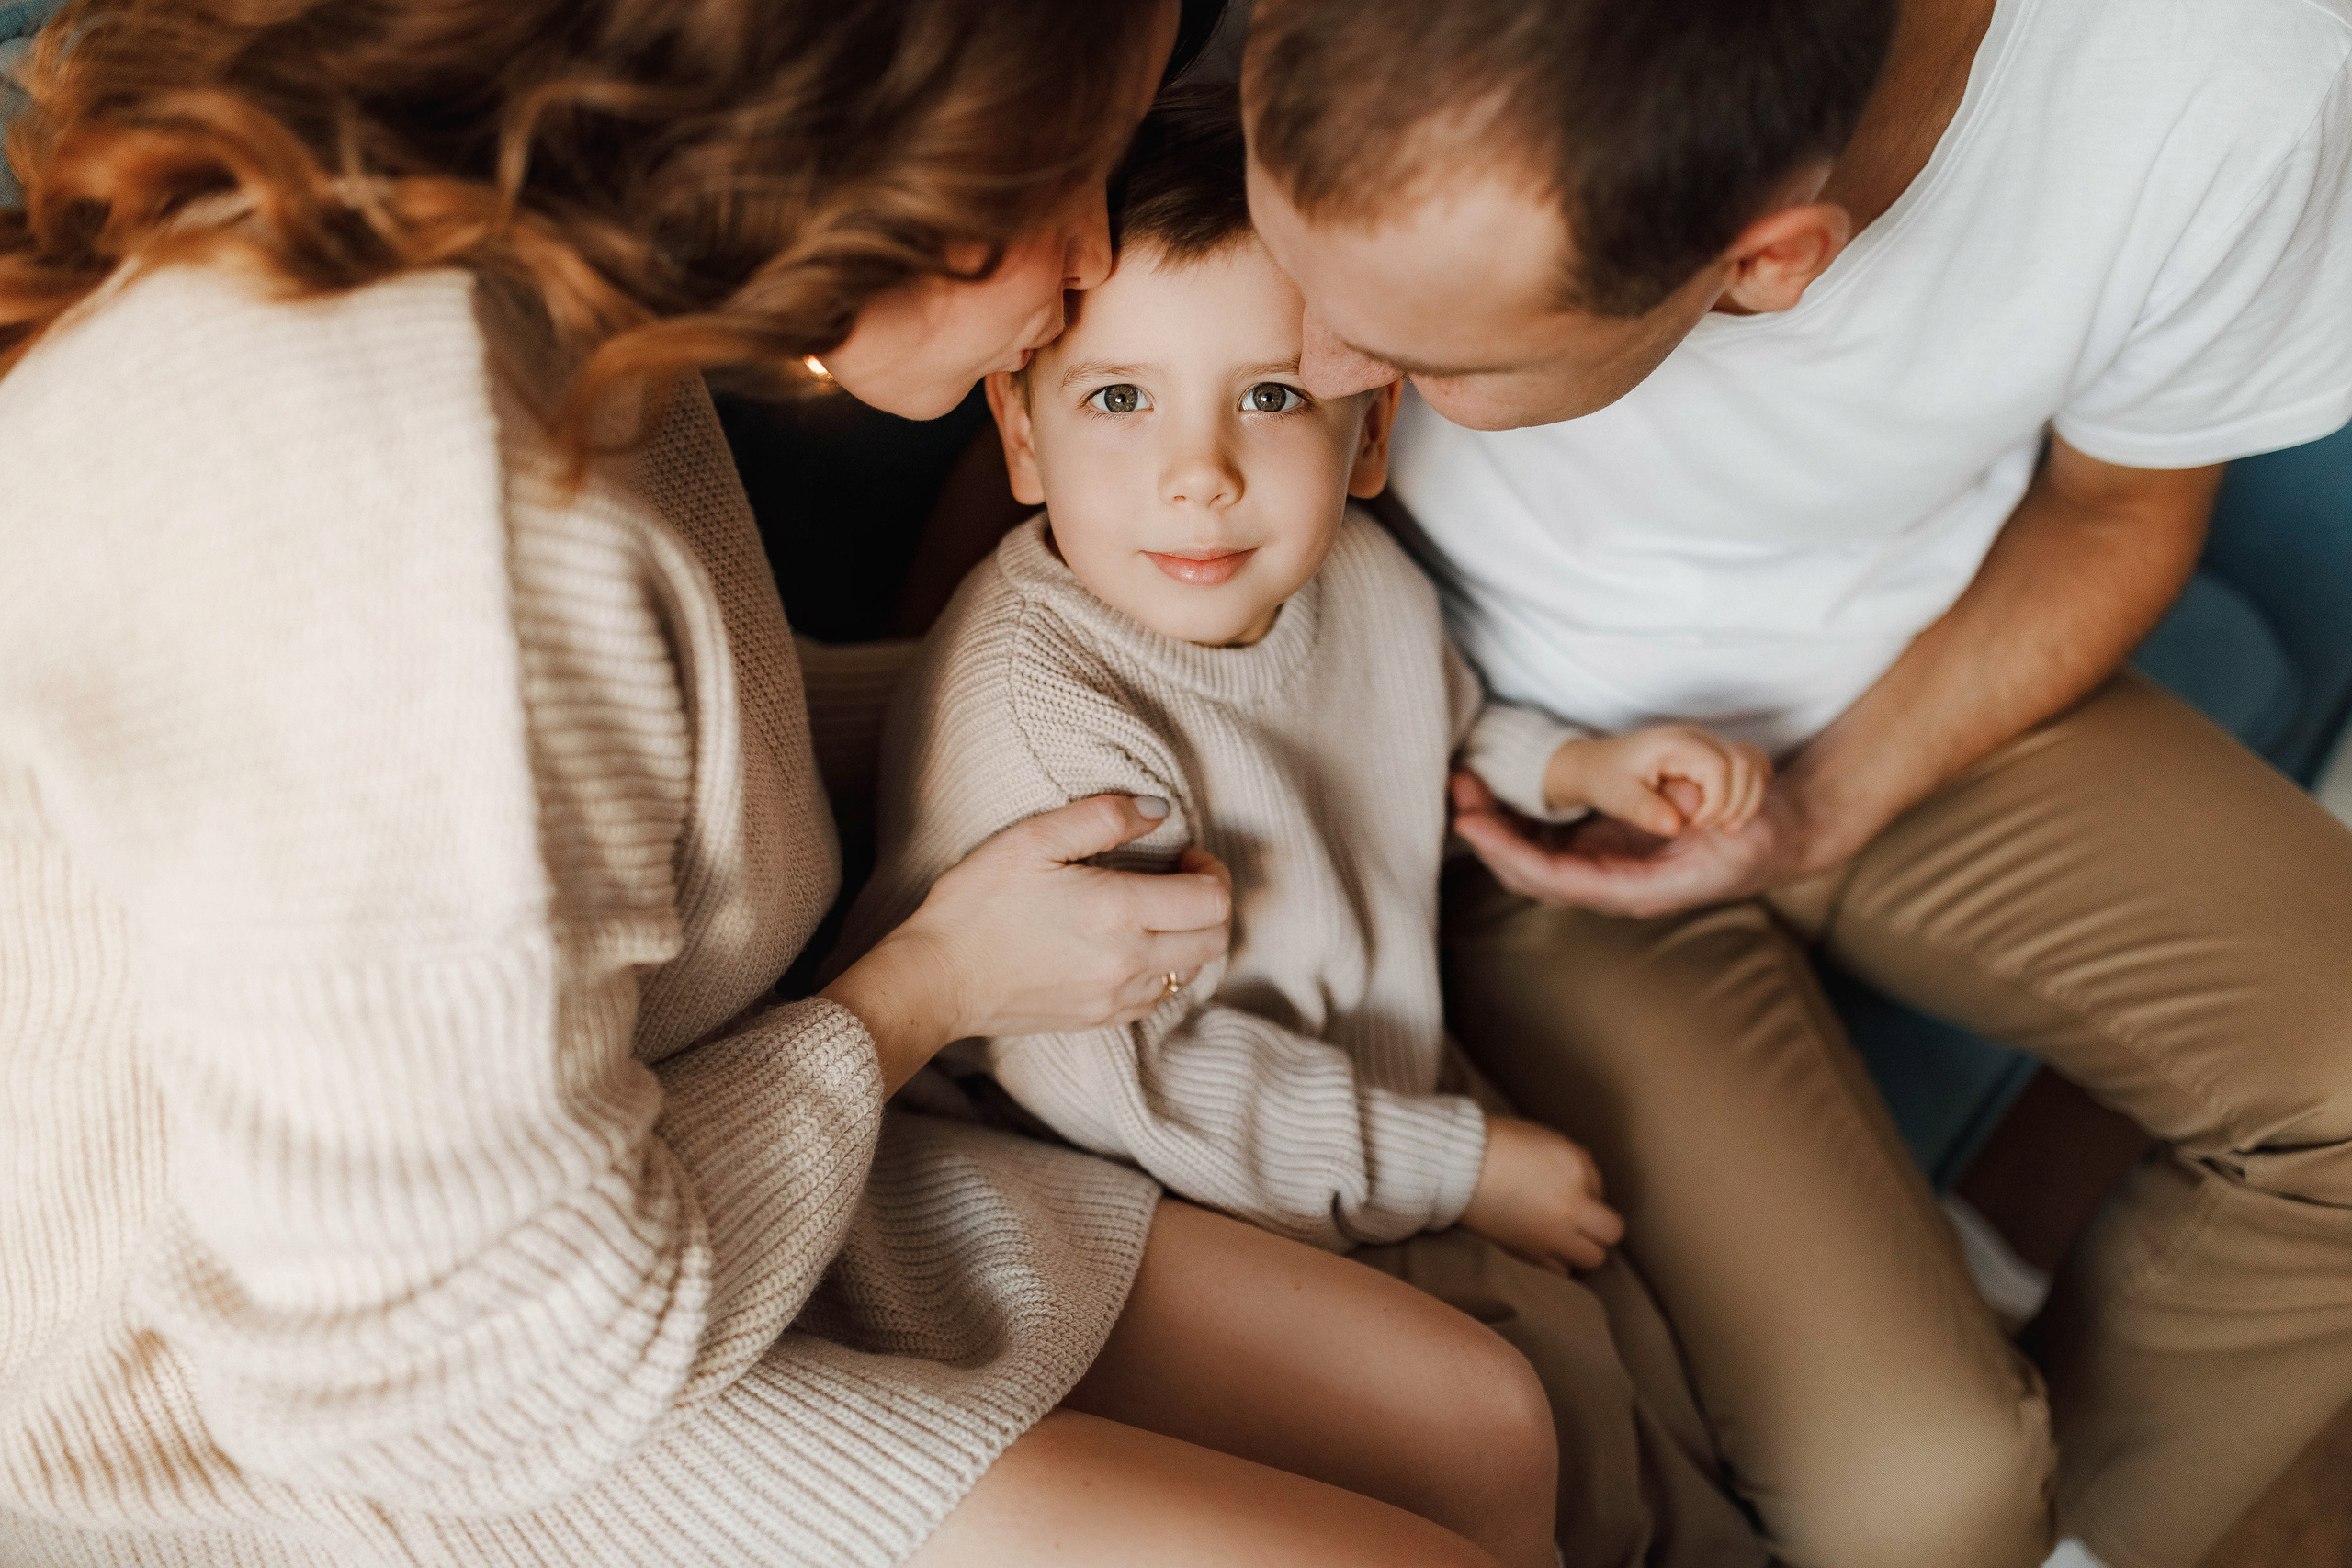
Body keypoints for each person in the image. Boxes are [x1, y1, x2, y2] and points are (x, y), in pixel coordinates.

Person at [0, 3, 1557, 1564]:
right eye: (1069, 171)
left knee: (1480, 1433)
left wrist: (1074, 705)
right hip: (318, 1390)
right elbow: (459, 1380)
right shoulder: (415, 510)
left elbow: (622, 770)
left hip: (635, 1121)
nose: (1094, 255)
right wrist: (923, 991)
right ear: (872, 136)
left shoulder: (539, 274)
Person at [1238, 0, 2352, 1566]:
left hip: (1920, 689)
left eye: (1430, 357)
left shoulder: (2224, 73)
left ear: (1768, 265)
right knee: (1929, 1504)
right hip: (1506, 776)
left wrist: (1822, 805)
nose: (1314, 363)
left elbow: (2117, 512)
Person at [837, 88, 1776, 1567]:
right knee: (1579, 1450)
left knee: (1652, 1380)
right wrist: (1457, 1167)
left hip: (1376, 1103)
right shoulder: (1043, 715)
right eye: (1119, 399)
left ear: (1368, 432)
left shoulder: (1361, 587)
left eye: (1269, 398)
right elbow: (1130, 1087)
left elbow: (1436, 721)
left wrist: (1581, 767)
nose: (1199, 471)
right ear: (1020, 436)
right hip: (1176, 1191)